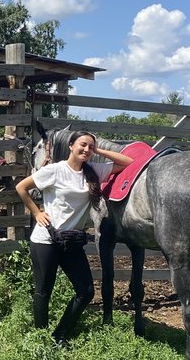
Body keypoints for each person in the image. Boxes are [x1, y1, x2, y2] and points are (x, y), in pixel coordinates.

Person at [15, 130, 133, 345]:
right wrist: (36, 212)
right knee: (44, 290)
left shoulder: (94, 170)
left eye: (90, 147)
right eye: (82, 145)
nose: (86, 149)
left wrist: (98, 150)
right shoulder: (55, 170)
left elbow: (127, 162)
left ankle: (59, 335)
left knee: (86, 291)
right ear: (71, 145)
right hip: (46, 239)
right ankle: (41, 341)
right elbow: (21, 187)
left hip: (71, 241)